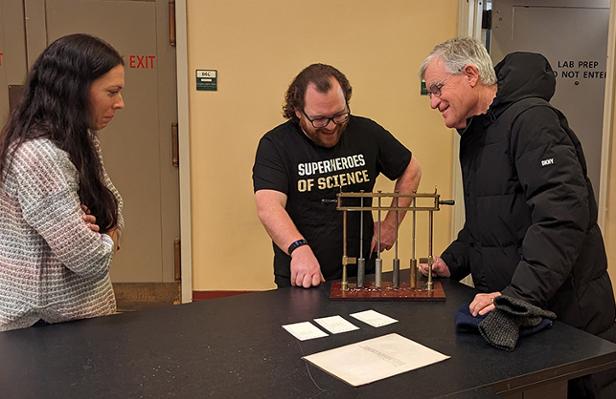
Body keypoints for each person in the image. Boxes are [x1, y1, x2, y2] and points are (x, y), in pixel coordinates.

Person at [420, 37, 616, 397]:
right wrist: (452, 261)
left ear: (470, 74)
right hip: (525, 310)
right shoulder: (477, 134)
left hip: (569, 311)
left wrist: (515, 296)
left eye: (437, 88)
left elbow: (561, 218)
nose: (433, 102)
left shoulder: (532, 121)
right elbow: (491, 219)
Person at [253, 63, 421, 288]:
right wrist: (298, 248)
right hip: (304, 275)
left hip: (361, 273)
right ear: (297, 111)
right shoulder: (276, 145)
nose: (331, 126)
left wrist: (391, 223)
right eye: (319, 119)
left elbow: (411, 169)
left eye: (339, 115)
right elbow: (269, 206)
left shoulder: (366, 133)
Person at [0, 33, 125, 331]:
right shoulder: (39, 155)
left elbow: (114, 205)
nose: (120, 103)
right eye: (112, 92)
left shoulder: (80, 139)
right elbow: (90, 260)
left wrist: (104, 226)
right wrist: (109, 234)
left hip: (80, 318)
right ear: (74, 91)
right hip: (45, 328)